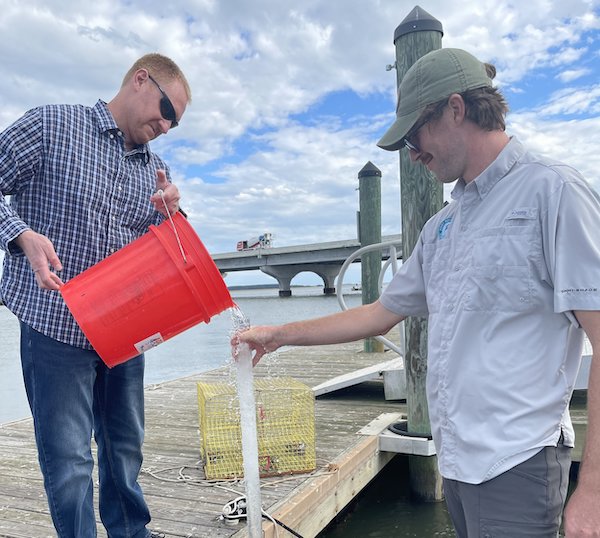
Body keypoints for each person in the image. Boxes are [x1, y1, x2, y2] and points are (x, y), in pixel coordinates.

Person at [233, 48, 600, 537]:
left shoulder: (555, 193)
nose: (412, 152)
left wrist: (592, 491)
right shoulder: (443, 226)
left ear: (455, 108)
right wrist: (279, 334)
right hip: (457, 463)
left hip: (519, 460)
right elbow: (380, 313)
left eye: (414, 135)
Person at [0, 53, 191, 538]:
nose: (167, 126)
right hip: (55, 328)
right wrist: (20, 233)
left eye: (176, 123)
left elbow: (171, 254)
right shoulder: (50, 125)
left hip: (126, 335)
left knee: (125, 448)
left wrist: (175, 214)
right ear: (140, 80)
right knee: (69, 462)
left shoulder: (157, 169)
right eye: (167, 111)